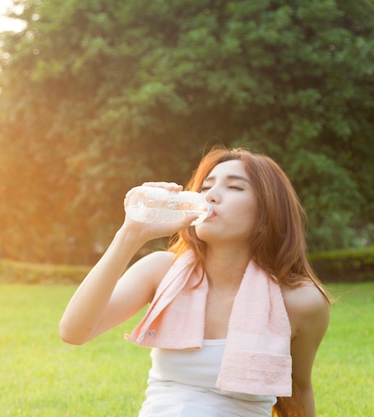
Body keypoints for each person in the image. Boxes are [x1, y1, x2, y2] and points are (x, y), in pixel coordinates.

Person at [59, 146, 330, 417]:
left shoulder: (301, 302)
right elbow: (74, 331)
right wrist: (131, 232)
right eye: (205, 186)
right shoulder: (162, 270)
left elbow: (298, 386)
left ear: (266, 213)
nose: (210, 195)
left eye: (235, 187)